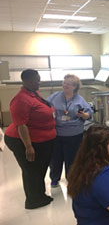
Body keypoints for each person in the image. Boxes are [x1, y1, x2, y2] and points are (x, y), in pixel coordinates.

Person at [4, 69, 56, 209]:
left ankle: (40, 195)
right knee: (31, 170)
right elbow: (21, 125)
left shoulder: (33, 93)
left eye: (39, 79)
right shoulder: (20, 100)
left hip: (40, 139)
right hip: (23, 140)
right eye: (35, 80)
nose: (38, 82)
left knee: (38, 169)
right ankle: (33, 200)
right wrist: (28, 146)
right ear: (26, 81)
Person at [47, 74, 93, 187]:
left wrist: (83, 115)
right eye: (64, 82)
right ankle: (54, 179)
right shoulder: (54, 97)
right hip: (57, 134)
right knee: (55, 158)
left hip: (74, 134)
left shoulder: (79, 99)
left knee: (72, 159)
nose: (65, 85)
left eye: (68, 83)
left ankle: (71, 179)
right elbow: (45, 107)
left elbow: (89, 114)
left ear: (74, 86)